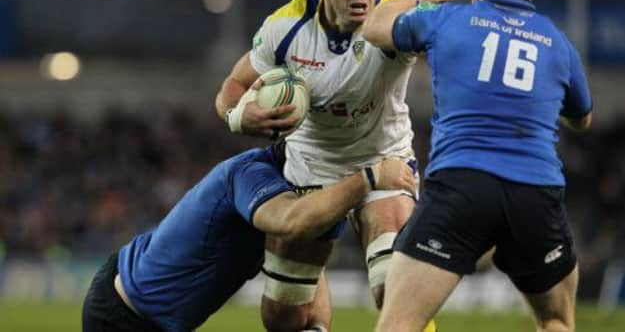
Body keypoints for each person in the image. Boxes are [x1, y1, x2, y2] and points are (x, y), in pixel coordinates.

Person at [215, 0, 448, 331]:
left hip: (385, 160)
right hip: (312, 170)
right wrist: (238, 115)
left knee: (394, 287)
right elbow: (233, 86)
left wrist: (424, 6)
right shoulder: (285, 28)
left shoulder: (395, 15)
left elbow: (446, 40)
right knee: (285, 317)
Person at [362, 0, 592, 332]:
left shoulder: (448, 19)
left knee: (398, 324)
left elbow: (373, 28)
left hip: (463, 187)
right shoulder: (558, 43)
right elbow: (581, 118)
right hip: (536, 195)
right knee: (556, 320)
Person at [82, 139, 416, 331]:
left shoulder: (312, 198)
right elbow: (290, 221)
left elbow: (310, 270)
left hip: (156, 315)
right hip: (123, 316)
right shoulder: (251, 175)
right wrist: (368, 179)